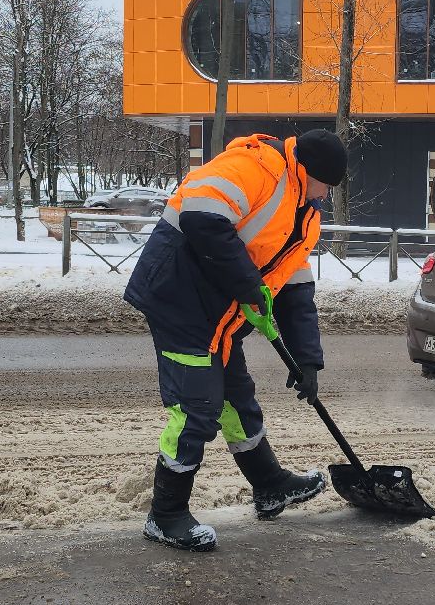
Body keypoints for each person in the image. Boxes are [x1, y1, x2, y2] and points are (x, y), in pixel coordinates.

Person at [123, 129, 348, 551]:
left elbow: (295, 291)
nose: (326, 196)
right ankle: (165, 514)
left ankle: (269, 485)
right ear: (307, 170)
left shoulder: (306, 215)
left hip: (219, 316)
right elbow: (201, 219)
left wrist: (308, 361)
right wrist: (246, 285)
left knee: (235, 397)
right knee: (198, 407)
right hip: (178, 300)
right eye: (326, 186)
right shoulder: (253, 166)